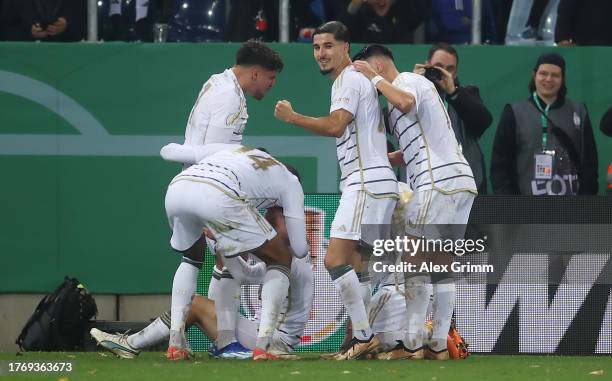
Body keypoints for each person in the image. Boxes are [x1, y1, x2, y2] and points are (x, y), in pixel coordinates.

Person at [274, 21, 398, 360]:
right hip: (379, 183)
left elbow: (335, 125)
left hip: (365, 183)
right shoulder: (358, 82)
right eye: (316, 47)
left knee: (334, 259)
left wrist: (292, 116)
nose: (321, 53)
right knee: (358, 268)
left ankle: (363, 336)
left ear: (345, 48)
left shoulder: (347, 81)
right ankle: (355, 342)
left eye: (328, 46)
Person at [352, 44, 477, 360]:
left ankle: (411, 346)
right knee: (441, 264)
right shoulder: (404, 94)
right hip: (458, 181)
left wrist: (374, 79)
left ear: (377, 67)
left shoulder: (407, 81)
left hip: (438, 181)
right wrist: (382, 159)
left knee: (413, 264)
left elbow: (405, 102)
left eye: (365, 74)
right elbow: (412, 149)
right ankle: (437, 346)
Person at [167, 40, 283, 360]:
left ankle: (176, 341)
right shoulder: (230, 99)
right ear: (256, 73)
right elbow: (215, 156)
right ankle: (226, 343)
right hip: (208, 188)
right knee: (238, 260)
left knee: (192, 258)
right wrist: (212, 212)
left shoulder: (217, 82)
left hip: (185, 184)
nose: (272, 86)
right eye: (271, 79)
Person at [90, 208, 314, 361]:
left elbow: (247, 272)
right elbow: (239, 276)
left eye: (273, 218)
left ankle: (131, 344)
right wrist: (225, 244)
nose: (268, 224)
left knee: (196, 304)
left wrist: (228, 235)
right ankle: (132, 343)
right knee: (201, 303)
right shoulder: (279, 250)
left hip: (275, 341)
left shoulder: (294, 252)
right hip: (261, 333)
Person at [162, 143, 308, 361]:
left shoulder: (233, 151)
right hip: (219, 194)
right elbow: (300, 248)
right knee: (282, 259)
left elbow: (168, 152)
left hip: (178, 187)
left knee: (191, 259)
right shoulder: (289, 182)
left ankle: (175, 343)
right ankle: (263, 347)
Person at [491, 53, 599, 195]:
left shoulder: (579, 111)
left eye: (555, 75)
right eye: (543, 73)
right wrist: (510, 205)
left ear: (563, 79)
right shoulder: (514, 112)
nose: (548, 79)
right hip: (525, 208)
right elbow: (500, 164)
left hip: (570, 208)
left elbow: (590, 163)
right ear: (534, 75)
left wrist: (585, 203)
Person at [415, 43, 492, 194]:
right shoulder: (413, 95)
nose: (443, 72)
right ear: (427, 65)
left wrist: (452, 92)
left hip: (463, 186)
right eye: (438, 66)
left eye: (449, 69)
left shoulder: (467, 95)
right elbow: (389, 123)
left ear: (455, 73)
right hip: (422, 183)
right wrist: (413, 86)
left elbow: (484, 121)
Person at [338, 0, 429, 44]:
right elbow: (340, 31)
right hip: (365, 61)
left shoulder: (404, 10)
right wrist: (355, 4)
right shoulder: (360, 12)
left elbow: (422, 12)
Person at [0, 0, 85, 41]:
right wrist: (28, 33)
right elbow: (6, 27)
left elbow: (87, 25)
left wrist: (67, 26)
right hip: (24, 57)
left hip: (65, 55)